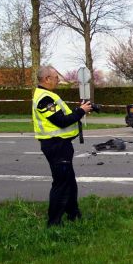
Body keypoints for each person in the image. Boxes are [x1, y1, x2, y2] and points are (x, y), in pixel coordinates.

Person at [32, 66, 93, 226]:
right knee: (61, 184)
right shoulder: (44, 98)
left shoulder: (49, 95)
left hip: (62, 145)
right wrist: (80, 111)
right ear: (46, 79)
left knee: (69, 181)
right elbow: (60, 121)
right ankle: (54, 223)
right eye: (55, 77)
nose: (58, 80)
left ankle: (74, 214)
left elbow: (63, 115)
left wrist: (80, 110)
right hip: (55, 145)